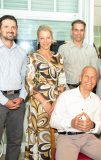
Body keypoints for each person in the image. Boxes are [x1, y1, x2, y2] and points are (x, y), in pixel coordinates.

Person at [50, 66, 101, 160]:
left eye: (93, 77)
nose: (90, 80)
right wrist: (71, 123)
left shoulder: (96, 100)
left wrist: (92, 125)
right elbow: (53, 121)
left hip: (88, 137)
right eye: (86, 76)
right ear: (80, 77)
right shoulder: (65, 96)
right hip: (66, 138)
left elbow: (99, 126)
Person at [25, 25, 66, 159]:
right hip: (38, 106)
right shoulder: (32, 57)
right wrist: (45, 103)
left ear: (52, 39)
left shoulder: (58, 57)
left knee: (52, 138)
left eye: (48, 37)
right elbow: (29, 83)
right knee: (38, 138)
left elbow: (62, 81)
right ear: (38, 39)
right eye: (42, 38)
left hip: (56, 105)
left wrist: (55, 103)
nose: (45, 41)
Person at [0, 15, 27, 160]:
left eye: (13, 27)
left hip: (18, 101)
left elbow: (25, 79)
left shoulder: (22, 53)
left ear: (16, 30)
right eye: (6, 26)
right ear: (0, 29)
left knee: (15, 141)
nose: (10, 30)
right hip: (0, 100)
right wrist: (4, 101)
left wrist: (22, 97)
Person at [58, 19, 98, 89]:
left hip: (86, 88)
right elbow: (58, 71)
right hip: (68, 89)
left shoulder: (91, 50)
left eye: (81, 30)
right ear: (72, 31)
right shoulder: (63, 49)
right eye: (76, 30)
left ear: (84, 32)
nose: (79, 33)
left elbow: (95, 71)